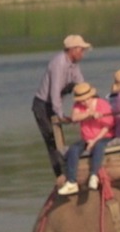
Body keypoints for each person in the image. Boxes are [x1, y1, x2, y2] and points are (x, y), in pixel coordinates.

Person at [33, 34, 92, 176]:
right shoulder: (58, 63)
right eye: (81, 50)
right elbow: (55, 92)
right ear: (72, 50)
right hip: (43, 106)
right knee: (53, 141)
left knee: (60, 139)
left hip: (54, 104)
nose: (83, 53)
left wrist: (92, 102)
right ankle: (60, 174)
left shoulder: (73, 64)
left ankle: (68, 170)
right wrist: (60, 116)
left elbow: (81, 84)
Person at [57, 82, 115, 196]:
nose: (84, 102)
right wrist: (89, 113)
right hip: (86, 138)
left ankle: (94, 175)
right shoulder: (78, 106)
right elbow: (75, 117)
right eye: (81, 100)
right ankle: (72, 181)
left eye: (86, 99)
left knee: (98, 146)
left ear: (91, 96)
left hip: (103, 136)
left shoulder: (102, 104)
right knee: (73, 149)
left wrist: (94, 140)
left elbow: (107, 126)